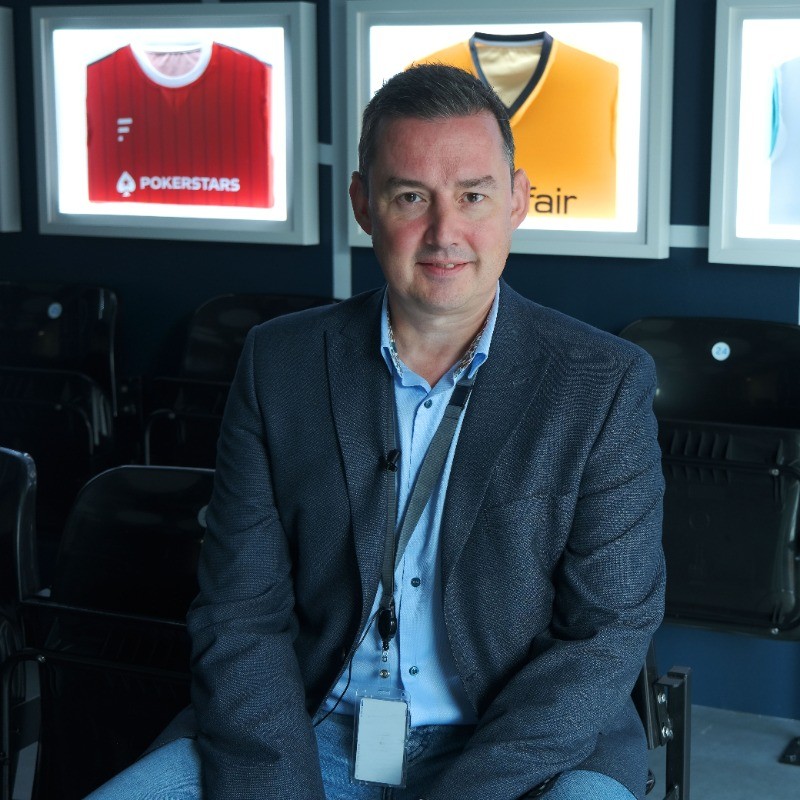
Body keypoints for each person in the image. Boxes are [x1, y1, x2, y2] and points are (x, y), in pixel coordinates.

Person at [85, 64, 665, 800]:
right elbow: (238, 613)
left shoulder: (604, 382)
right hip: (303, 730)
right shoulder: (279, 362)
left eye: (473, 196)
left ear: (517, 201)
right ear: (363, 204)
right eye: (410, 196)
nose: (444, 233)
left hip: (524, 749)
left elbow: (606, 636)